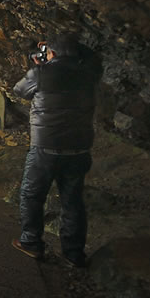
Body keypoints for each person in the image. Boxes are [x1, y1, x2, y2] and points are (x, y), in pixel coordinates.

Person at [11, 33, 102, 267]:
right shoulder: (89, 74)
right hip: (78, 149)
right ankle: (73, 254)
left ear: (51, 53)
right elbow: (95, 57)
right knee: (73, 202)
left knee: (32, 195)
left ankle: (31, 242)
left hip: (45, 148)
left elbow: (19, 91)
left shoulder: (40, 73)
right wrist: (68, 50)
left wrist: (41, 64)